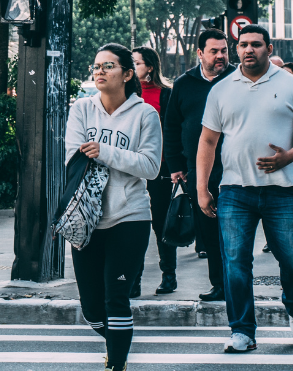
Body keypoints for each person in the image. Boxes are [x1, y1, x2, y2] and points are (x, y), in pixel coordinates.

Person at [196, 25, 293, 352]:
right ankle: (242, 331)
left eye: (256, 44)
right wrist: (202, 188)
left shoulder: (292, 85)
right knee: (236, 263)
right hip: (234, 192)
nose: (249, 50)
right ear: (236, 48)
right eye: (243, 44)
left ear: (269, 48)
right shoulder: (221, 90)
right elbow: (208, 142)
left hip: (281, 191)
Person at [65, 43, 162, 371]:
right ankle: (116, 342)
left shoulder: (145, 114)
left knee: (116, 298)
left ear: (128, 74)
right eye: (97, 66)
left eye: (108, 66)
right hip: (87, 220)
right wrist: (96, 154)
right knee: (92, 310)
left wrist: (104, 152)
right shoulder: (82, 109)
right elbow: (72, 157)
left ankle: (116, 364)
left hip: (130, 216)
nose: (100, 71)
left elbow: (150, 167)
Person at [163, 28, 236, 302]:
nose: (220, 56)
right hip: (200, 172)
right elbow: (171, 127)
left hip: (236, 169)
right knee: (209, 232)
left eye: (224, 50)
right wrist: (176, 165)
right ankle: (219, 284)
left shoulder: (238, 78)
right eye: (214, 51)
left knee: (235, 232)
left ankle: (237, 285)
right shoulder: (184, 84)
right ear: (200, 53)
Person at [130, 46, 175, 296]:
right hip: (131, 170)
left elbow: (171, 132)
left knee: (160, 224)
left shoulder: (166, 94)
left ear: (149, 66)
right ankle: (133, 281)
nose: (132, 67)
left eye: (136, 63)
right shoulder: (126, 96)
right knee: (134, 225)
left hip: (160, 169)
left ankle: (169, 275)